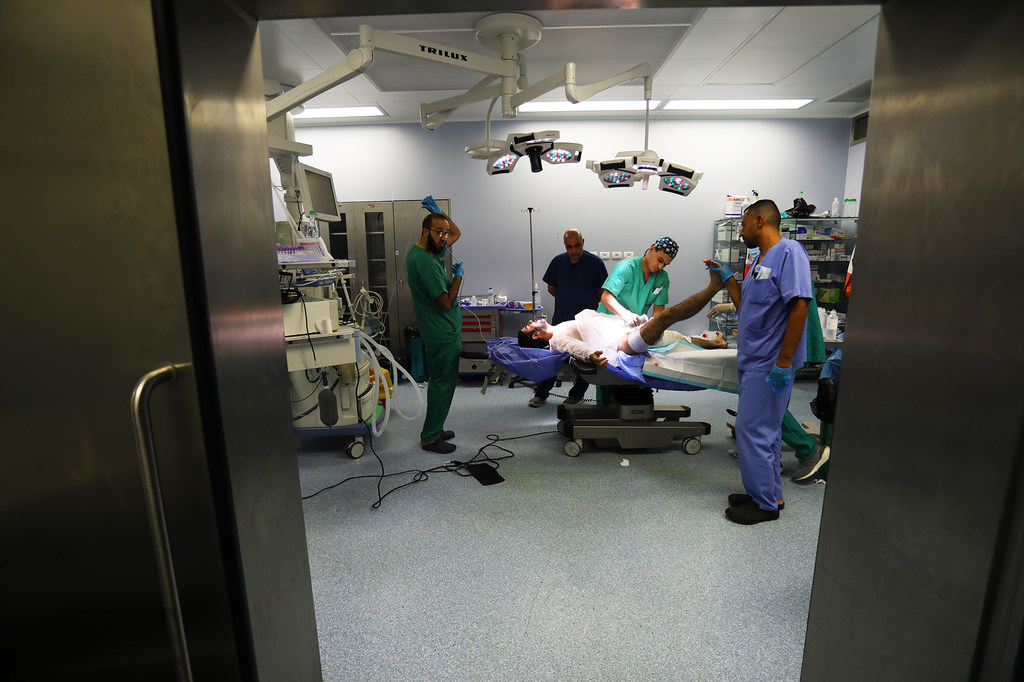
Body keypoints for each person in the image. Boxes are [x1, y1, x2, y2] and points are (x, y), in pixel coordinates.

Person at [709, 199, 813, 525]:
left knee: (750, 430)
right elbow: (748, 309)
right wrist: (728, 279)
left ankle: (764, 505)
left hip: (770, 362)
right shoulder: (759, 261)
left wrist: (783, 361)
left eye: (742, 224)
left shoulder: (789, 252)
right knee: (765, 432)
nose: (739, 231)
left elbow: (799, 306)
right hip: (753, 357)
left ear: (759, 220)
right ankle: (770, 493)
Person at [707, 289, 829, 482]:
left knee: (771, 406)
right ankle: (770, 456)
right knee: (769, 405)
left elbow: (780, 301)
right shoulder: (768, 260)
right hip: (772, 342)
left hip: (784, 342)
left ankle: (809, 450)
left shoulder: (789, 259)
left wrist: (783, 359)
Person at [518, 262, 727, 364]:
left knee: (675, 338)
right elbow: (574, 347)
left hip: (626, 330)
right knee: (665, 317)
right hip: (626, 342)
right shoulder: (557, 339)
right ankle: (713, 288)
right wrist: (591, 355)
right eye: (529, 326)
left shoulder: (560, 327)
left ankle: (713, 343)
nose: (531, 321)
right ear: (536, 335)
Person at [529, 229, 608, 408]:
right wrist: (567, 298)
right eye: (569, 246)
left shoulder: (595, 263)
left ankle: (576, 395)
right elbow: (551, 288)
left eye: (577, 245)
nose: (573, 250)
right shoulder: (558, 262)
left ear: (583, 242)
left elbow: (602, 292)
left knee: (585, 358)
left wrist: (583, 302)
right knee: (552, 359)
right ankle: (541, 392)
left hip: (585, 325)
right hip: (561, 320)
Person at [406, 211, 463, 455]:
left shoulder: (429, 251)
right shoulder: (424, 261)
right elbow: (446, 302)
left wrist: (441, 213)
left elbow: (457, 233)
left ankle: (436, 427)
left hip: (443, 330)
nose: (444, 238)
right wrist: (458, 278)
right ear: (425, 232)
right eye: (439, 233)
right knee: (442, 383)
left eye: (445, 233)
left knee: (442, 382)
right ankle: (430, 438)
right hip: (441, 332)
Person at [598, 237, 678, 326]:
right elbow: (606, 297)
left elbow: (658, 309)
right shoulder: (626, 268)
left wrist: (655, 327)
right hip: (607, 321)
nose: (660, 266)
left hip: (633, 326)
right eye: (659, 260)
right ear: (651, 250)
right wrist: (626, 314)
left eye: (665, 265)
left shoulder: (662, 278)